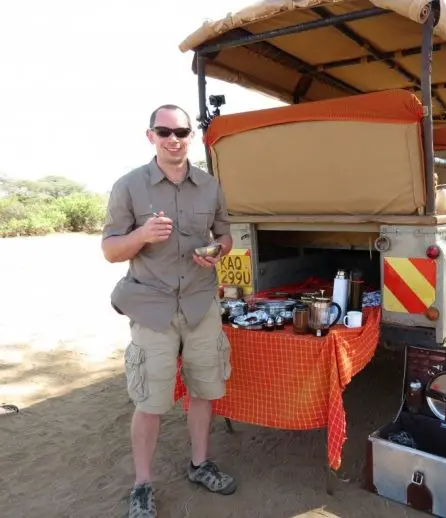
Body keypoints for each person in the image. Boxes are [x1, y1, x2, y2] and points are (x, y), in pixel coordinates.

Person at [101, 104, 236, 518]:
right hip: (153, 306)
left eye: (181, 132)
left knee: (203, 391)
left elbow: (226, 234)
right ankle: (143, 484)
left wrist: (217, 251)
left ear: (191, 136)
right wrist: (141, 235)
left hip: (199, 304)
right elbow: (109, 250)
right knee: (151, 400)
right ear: (151, 136)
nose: (173, 139)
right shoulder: (128, 186)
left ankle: (199, 464)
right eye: (164, 132)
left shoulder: (210, 186)